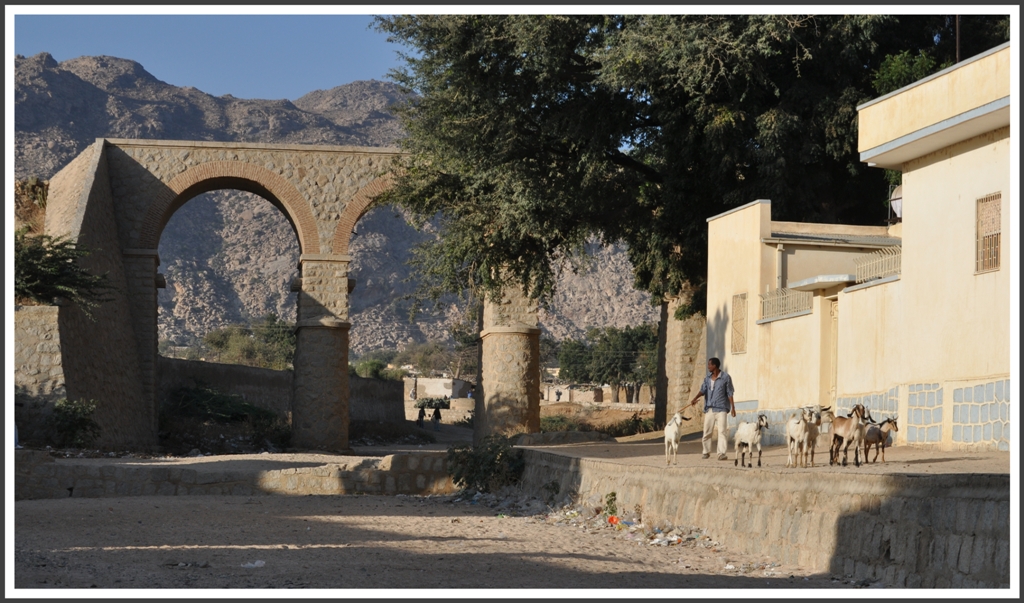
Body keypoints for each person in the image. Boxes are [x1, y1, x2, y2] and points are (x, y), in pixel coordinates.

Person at [688, 357, 735, 460]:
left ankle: (721, 453)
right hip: (709, 408)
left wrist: (733, 408)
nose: (708, 366)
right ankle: (706, 452)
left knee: (722, 431)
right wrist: (695, 398)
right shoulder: (707, 378)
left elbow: (730, 393)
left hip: (721, 408)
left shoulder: (726, 377)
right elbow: (703, 390)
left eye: (710, 364)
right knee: (707, 432)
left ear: (715, 366)